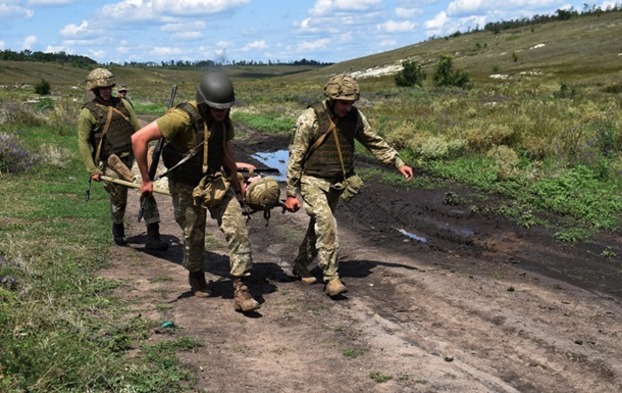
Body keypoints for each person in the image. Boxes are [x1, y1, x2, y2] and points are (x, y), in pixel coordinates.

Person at [131, 71, 260, 312]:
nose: (221, 113)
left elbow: (225, 148)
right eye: (216, 108)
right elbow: (139, 138)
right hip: (185, 184)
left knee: (238, 227)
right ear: (204, 103)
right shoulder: (180, 118)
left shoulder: (224, 118)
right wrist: (146, 180)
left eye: (225, 108)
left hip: (214, 180)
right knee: (194, 234)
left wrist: (235, 179)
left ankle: (241, 287)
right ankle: (196, 273)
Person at [284, 74, 414, 297]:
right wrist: (290, 192)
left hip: (336, 181)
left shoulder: (355, 117)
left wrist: (397, 162)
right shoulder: (310, 118)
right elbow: (296, 156)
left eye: (351, 102)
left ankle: (300, 264)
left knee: (319, 226)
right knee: (327, 223)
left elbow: (373, 140)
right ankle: (331, 278)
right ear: (332, 98)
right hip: (312, 180)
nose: (348, 107)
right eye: (344, 102)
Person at [77, 68, 168, 252]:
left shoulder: (124, 104)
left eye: (109, 87)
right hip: (111, 161)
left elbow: (138, 129)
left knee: (146, 190)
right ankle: (118, 228)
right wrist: (92, 169)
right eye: (102, 88)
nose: (106, 91)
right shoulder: (88, 113)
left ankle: (153, 236)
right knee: (119, 201)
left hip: (133, 157)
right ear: (94, 90)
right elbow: (83, 143)